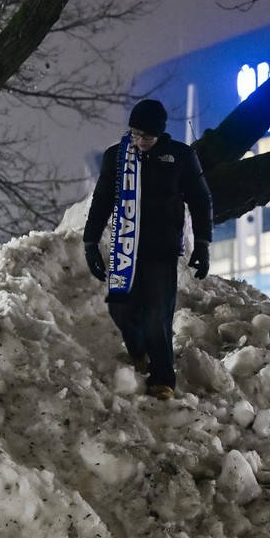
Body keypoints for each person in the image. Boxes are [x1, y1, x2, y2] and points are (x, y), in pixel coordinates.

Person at [83, 99, 213, 401]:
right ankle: (139, 351)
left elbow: (200, 200)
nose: (140, 141)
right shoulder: (116, 157)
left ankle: (163, 379)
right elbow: (102, 200)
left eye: (147, 136)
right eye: (135, 133)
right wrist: (90, 243)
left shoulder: (180, 156)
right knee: (120, 309)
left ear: (160, 133)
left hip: (161, 251)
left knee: (157, 318)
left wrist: (203, 244)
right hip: (125, 250)